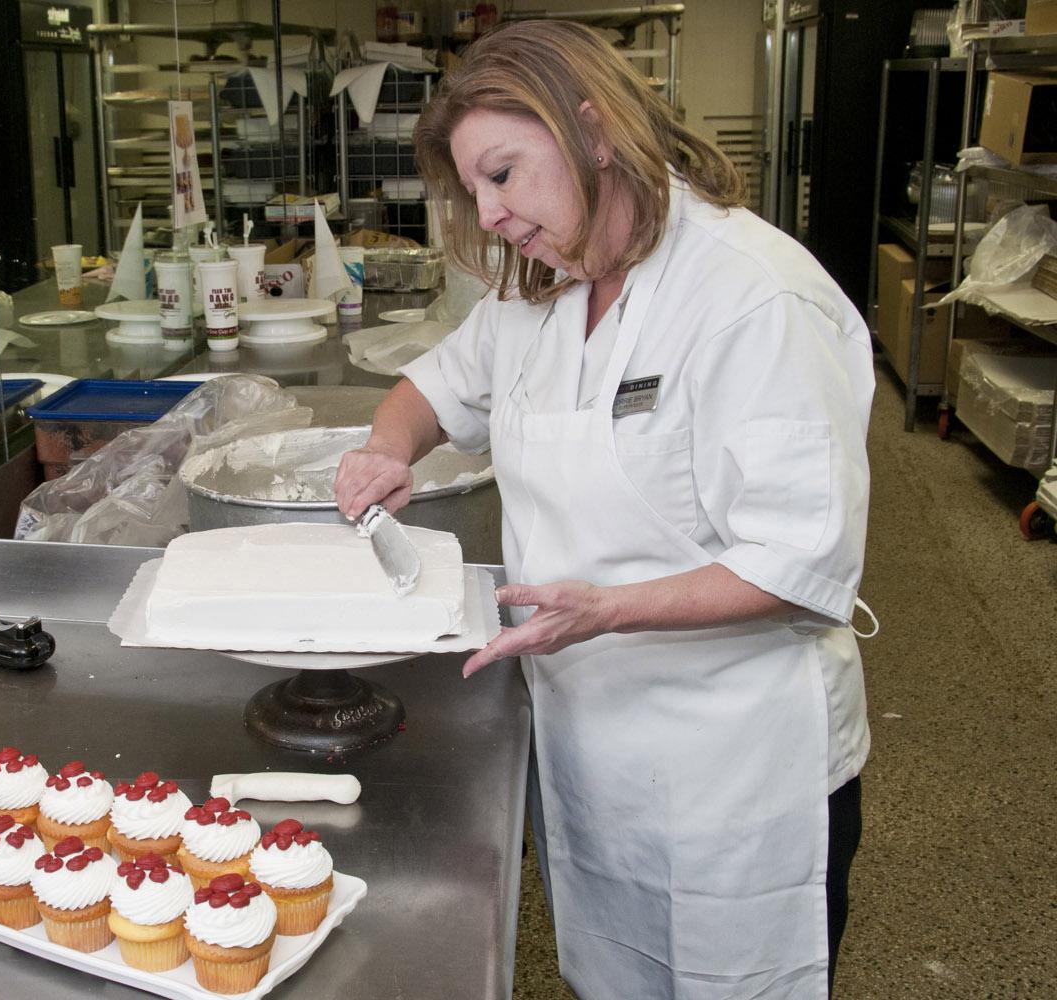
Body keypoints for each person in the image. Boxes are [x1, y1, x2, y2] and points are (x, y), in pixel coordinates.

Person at [334, 20, 871, 1000]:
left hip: (732, 775)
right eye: (474, 191)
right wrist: (384, 447)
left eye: (503, 174)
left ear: (589, 128)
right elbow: (433, 389)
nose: (490, 215)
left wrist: (607, 609)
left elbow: (798, 557)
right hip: (591, 753)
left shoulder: (750, 297)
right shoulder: (537, 296)